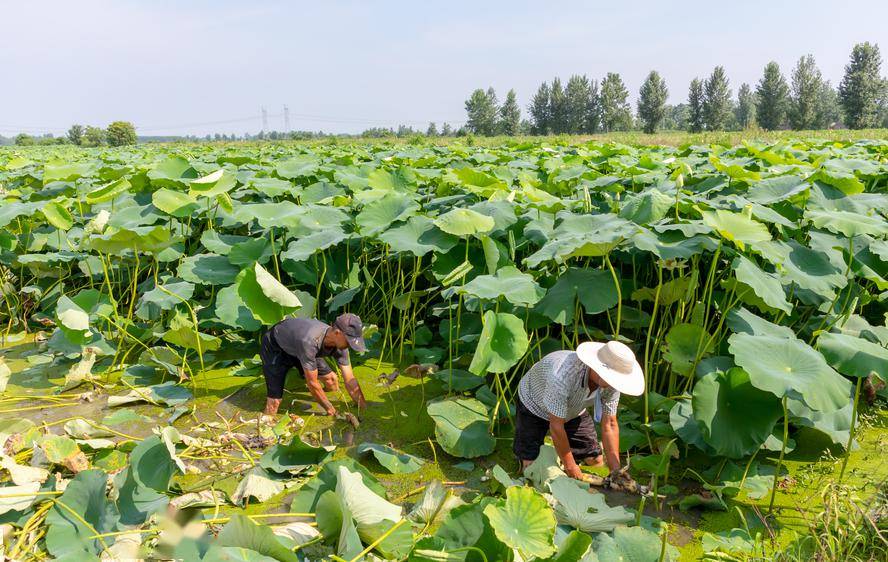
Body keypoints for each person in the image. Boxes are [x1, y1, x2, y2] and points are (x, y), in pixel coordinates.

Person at [515, 340, 644, 486]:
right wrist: (570, 465)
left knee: (596, 460)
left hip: (573, 410)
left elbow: (610, 424)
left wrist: (616, 471)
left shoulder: (613, 385)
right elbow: (556, 426)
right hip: (534, 404)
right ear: (594, 364)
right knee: (531, 468)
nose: (609, 381)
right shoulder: (563, 375)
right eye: (607, 374)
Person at [259, 313, 368, 416]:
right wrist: (331, 410)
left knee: (332, 381)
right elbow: (312, 383)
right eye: (349, 341)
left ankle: (321, 398)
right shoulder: (310, 342)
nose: (351, 345)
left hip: (300, 347)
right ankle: (265, 426)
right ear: (337, 333)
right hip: (276, 346)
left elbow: (350, 379)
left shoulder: (342, 345)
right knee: (274, 402)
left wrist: (364, 408)